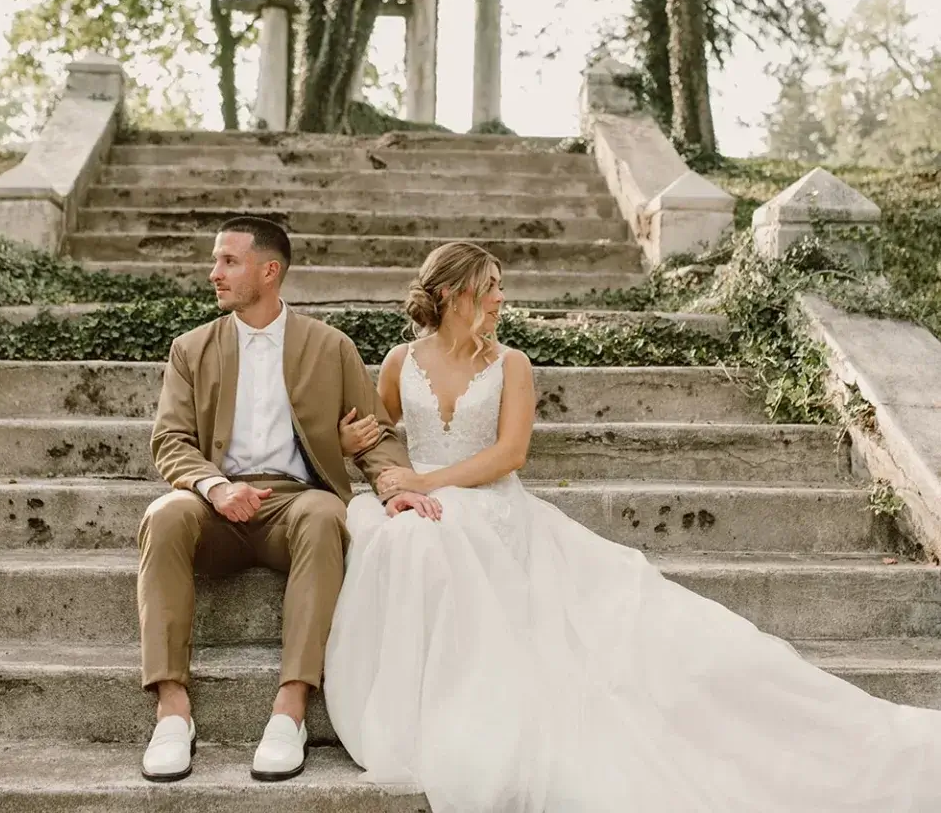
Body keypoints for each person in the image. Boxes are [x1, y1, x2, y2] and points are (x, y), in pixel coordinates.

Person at [325, 240, 941, 813]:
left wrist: (428, 484)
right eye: (491, 286)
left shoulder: (511, 364)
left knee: (447, 532)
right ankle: (428, 704)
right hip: (421, 496)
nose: (500, 298)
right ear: (455, 293)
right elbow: (380, 435)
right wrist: (363, 451)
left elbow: (511, 454)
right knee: (405, 536)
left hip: (490, 501)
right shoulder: (401, 361)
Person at [137, 215, 437, 784]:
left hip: (294, 503)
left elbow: (374, 432)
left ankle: (290, 708)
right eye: (215, 260)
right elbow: (169, 440)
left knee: (327, 514)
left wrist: (395, 485)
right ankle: (171, 709)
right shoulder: (191, 348)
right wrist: (216, 487)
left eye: (229, 261)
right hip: (213, 504)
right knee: (165, 513)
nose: (214, 273)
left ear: (269, 271)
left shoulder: (330, 347)